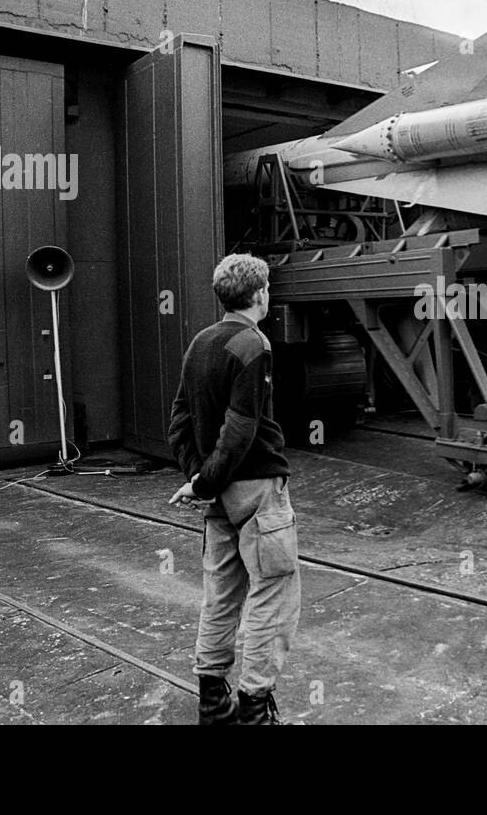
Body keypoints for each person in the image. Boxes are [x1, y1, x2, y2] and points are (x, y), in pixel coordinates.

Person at [167, 253, 299, 725]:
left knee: (221, 594)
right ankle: (255, 705)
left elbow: (179, 421)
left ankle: (212, 701)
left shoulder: (200, 343)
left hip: (219, 493)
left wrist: (199, 480)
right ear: (260, 293)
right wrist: (206, 479)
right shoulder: (254, 344)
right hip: (257, 491)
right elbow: (242, 428)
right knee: (273, 591)